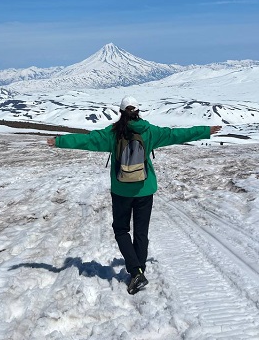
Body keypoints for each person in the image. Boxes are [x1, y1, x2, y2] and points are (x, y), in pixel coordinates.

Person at [47, 95, 221, 295]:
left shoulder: (113, 133)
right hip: (144, 189)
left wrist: (59, 141)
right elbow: (176, 135)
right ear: (138, 111)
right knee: (141, 232)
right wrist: (205, 131)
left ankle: (136, 271)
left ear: (121, 112)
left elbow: (87, 140)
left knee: (121, 230)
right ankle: (139, 271)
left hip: (121, 190)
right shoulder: (150, 131)